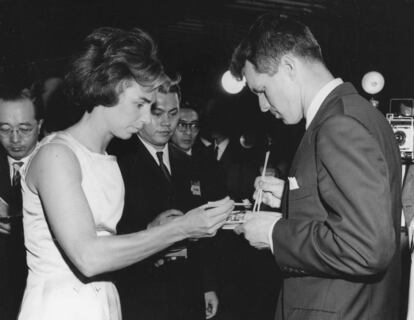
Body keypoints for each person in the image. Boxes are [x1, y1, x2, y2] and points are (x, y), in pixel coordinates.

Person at [17, 27, 234, 320]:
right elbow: (89, 257)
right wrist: (179, 229)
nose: (146, 118)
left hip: (105, 302)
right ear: (108, 89)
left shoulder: (106, 159)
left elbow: (107, 244)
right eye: (141, 104)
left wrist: (150, 233)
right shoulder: (57, 155)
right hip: (61, 307)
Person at [230, 14, 402, 320]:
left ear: (288, 68)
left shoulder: (338, 124)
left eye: (261, 90)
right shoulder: (359, 112)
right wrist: (289, 198)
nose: (262, 106)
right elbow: (355, 209)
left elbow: (366, 247)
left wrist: (273, 232)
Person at [116, 86, 222, 320]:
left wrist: (207, 285)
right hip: (142, 291)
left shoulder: (187, 162)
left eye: (173, 113)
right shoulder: (119, 162)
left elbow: (201, 235)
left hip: (188, 289)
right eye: (157, 113)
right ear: (141, 112)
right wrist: (149, 231)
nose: (166, 122)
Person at [0, 86, 43, 319]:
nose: (14, 139)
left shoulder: (56, 162)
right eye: (4, 129)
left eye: (24, 129)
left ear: (40, 125)